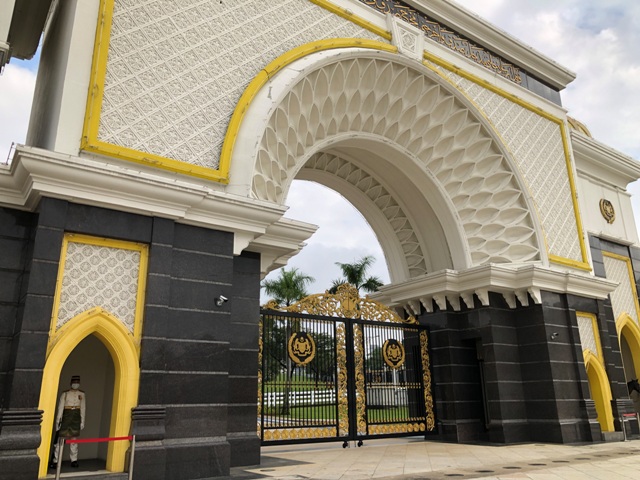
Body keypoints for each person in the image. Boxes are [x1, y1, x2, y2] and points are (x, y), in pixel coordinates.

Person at [49, 375, 86, 469]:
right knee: (60, 439)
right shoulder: (65, 394)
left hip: (76, 417)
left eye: (77, 382)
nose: (76, 384)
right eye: (74, 382)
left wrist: (82, 421)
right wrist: (58, 420)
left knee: (74, 440)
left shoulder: (81, 394)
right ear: (71, 383)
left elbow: (83, 408)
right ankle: (56, 460)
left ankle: (74, 460)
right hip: (66, 416)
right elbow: (60, 408)